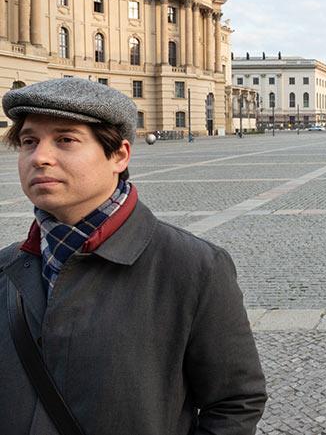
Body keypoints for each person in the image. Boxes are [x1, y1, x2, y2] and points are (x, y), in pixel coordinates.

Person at [0, 78, 266, 435]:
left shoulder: (193, 268)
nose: (39, 157)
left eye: (65, 140)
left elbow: (236, 401)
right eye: (29, 142)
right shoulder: (6, 267)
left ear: (119, 155)